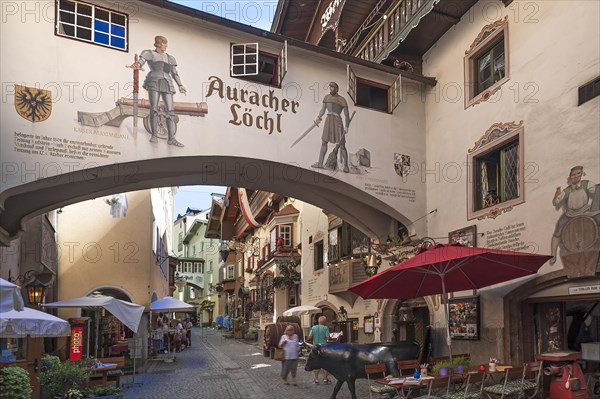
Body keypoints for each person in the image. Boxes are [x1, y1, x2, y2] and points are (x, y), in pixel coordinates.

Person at [132, 35, 186, 147]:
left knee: (170, 111)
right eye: (164, 43)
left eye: (166, 43)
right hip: (154, 81)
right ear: (159, 44)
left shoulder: (170, 58)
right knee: (154, 109)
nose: (166, 46)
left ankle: (171, 139)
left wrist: (180, 85)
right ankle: (154, 136)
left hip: (167, 82)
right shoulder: (150, 53)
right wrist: (137, 64)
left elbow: (174, 73)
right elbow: (141, 61)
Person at [551, 165, 598, 264]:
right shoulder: (567, 190)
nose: (576, 176)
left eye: (578, 174)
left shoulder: (587, 184)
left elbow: (597, 192)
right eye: (573, 175)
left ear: (581, 174)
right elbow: (556, 202)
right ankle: (553, 255)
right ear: (570, 177)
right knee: (559, 228)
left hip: (585, 210)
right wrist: (556, 196)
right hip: (570, 214)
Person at [312, 82, 351, 173]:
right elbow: (323, 110)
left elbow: (346, 114)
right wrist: (318, 117)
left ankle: (346, 166)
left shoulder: (342, 100)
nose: (330, 89)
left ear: (336, 89)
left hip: (337, 122)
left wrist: (347, 126)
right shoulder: (326, 97)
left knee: (342, 145)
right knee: (324, 142)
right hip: (328, 121)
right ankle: (320, 163)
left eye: (332, 87)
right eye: (330, 87)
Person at [308, 316, 332, 385]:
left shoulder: (313, 327)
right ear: (324, 322)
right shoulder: (325, 328)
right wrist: (332, 338)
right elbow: (328, 338)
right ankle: (325, 379)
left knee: (316, 364)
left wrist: (309, 339)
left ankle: (316, 380)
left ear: (318, 321)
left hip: (315, 347)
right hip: (323, 348)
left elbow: (309, 337)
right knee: (326, 364)